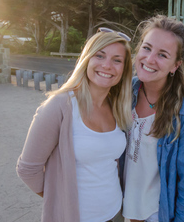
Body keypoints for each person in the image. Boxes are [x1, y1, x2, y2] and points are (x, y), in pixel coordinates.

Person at [17, 28, 133, 222]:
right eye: (100, 55)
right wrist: (60, 199)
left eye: (117, 60)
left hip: (115, 213)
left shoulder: (117, 107)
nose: (107, 65)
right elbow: (27, 170)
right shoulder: (60, 106)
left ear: (124, 68)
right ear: (87, 59)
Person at [122, 15, 184, 222]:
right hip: (118, 208)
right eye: (147, 48)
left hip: (155, 215)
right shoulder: (122, 94)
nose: (150, 59)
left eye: (162, 55)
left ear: (175, 65)